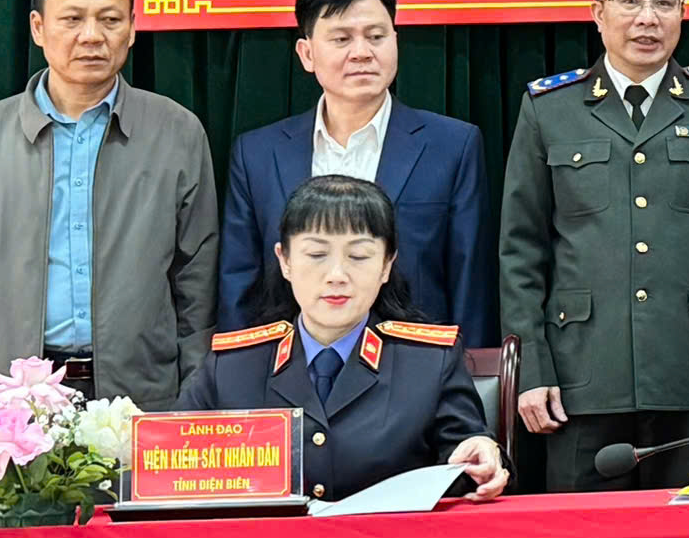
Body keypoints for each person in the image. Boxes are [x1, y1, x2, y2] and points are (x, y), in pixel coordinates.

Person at [0, 0, 217, 462]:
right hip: (12, 414)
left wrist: (192, 407)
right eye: (72, 18)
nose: (92, 36)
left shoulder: (177, 133)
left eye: (110, 19)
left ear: (132, 28)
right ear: (38, 27)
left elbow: (199, 289)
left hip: (142, 406)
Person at [498, 0, 689, 490]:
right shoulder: (549, 108)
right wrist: (532, 369)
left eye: (664, 3)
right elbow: (521, 251)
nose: (647, 18)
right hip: (580, 381)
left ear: (682, 14)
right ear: (598, 13)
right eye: (630, 1)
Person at [177, 177, 506, 504]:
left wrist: (481, 455)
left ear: (387, 265)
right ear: (285, 260)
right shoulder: (231, 368)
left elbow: (467, 459)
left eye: (359, 256)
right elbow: (172, 466)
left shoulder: (430, 363)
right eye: (316, 254)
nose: (336, 275)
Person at [219, 0, 492, 343]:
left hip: (415, 363)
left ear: (395, 43)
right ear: (307, 54)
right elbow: (239, 286)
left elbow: (470, 281)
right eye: (342, 39)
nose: (362, 52)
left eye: (376, 37)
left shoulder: (453, 146)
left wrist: (468, 370)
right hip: (289, 366)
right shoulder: (258, 154)